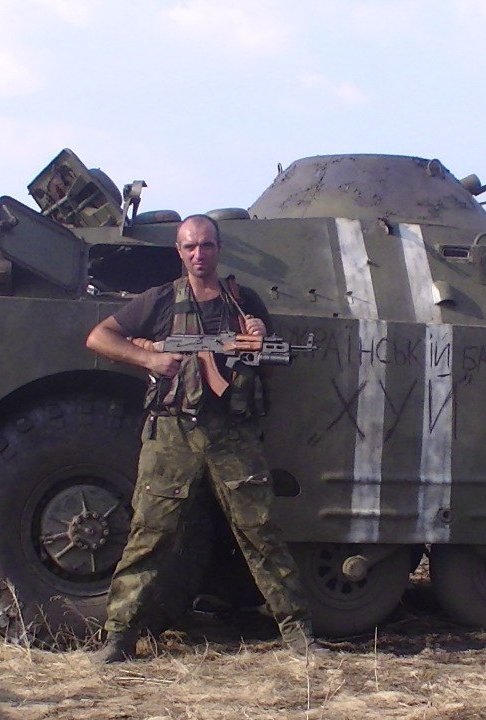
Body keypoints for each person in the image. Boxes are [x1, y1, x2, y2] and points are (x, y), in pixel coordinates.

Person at [84, 214, 317, 662]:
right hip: (174, 432)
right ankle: (119, 636)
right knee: (150, 534)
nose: (199, 254)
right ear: (179, 251)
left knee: (261, 533)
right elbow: (99, 337)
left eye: (206, 245)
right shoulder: (159, 301)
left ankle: (299, 634)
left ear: (218, 249)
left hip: (233, 433)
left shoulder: (242, 301)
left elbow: (269, 367)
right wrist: (149, 359)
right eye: (190, 246)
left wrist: (258, 340)